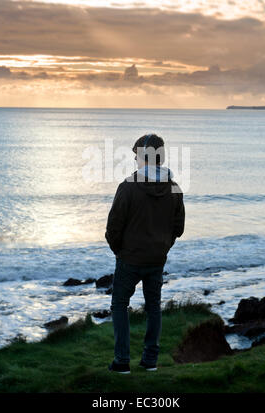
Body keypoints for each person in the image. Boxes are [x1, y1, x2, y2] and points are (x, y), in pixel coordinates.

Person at [105, 133, 185, 374]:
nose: (134, 160)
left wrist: (120, 251)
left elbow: (113, 228)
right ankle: (150, 361)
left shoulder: (128, 187)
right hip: (156, 258)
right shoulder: (174, 188)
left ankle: (122, 361)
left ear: (142, 157)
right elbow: (178, 228)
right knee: (153, 307)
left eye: (136, 156)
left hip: (130, 258)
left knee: (119, 305)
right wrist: (163, 247)